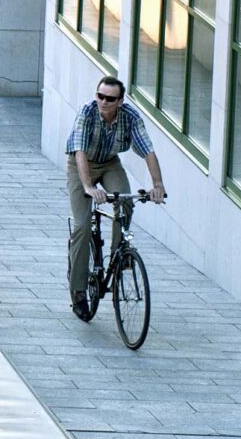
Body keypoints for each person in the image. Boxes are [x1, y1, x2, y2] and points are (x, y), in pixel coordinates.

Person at [66, 75, 166, 320]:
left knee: (126, 202)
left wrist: (158, 184)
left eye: (110, 99)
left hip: (110, 163)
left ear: (120, 101)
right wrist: (88, 187)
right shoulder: (87, 113)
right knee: (82, 226)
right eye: (100, 96)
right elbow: (79, 150)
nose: (103, 102)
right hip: (81, 163)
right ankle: (79, 291)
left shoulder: (130, 117)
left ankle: (118, 258)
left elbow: (148, 150)